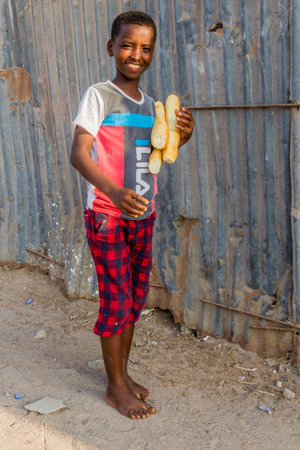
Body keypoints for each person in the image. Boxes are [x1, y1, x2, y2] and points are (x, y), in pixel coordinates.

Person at [70, 10, 194, 420]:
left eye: (144, 48)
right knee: (116, 298)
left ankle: (121, 374)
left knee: (135, 299)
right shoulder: (99, 95)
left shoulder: (153, 106)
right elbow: (79, 153)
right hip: (108, 214)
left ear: (152, 54)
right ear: (111, 48)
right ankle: (114, 388)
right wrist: (114, 192)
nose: (135, 54)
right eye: (127, 45)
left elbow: (161, 155)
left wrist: (183, 135)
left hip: (143, 215)